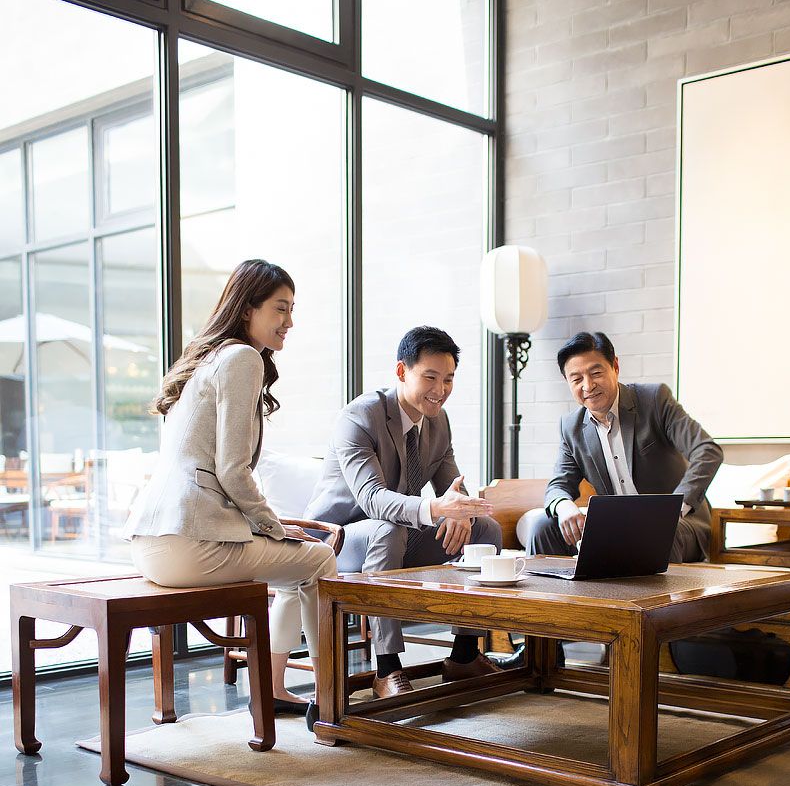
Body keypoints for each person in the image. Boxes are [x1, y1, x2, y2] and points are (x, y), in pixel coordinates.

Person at [126, 259, 337, 726]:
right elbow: (232, 471)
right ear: (248, 310)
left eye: (292, 309)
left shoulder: (206, 358)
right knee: (318, 560)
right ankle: (332, 697)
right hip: (189, 544)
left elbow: (215, 474)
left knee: (293, 565)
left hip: (152, 542)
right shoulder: (242, 358)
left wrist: (273, 527)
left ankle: (278, 689)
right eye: (280, 309)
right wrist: (273, 525)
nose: (290, 321)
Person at [305, 325, 502, 698]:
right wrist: (437, 508)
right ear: (401, 372)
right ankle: (387, 668)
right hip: (337, 539)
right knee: (387, 529)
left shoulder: (438, 420)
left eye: (448, 379)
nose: (440, 390)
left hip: (397, 533)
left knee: (485, 530)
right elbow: (373, 499)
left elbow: (451, 487)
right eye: (430, 377)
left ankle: (463, 656)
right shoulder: (359, 417)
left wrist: (461, 512)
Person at [527, 330, 723, 561]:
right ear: (567, 382)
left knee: (656, 533)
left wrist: (673, 511)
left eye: (596, 373)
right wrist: (563, 507)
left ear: (615, 367)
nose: (588, 386)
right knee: (543, 526)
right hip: (616, 527)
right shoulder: (572, 427)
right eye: (577, 379)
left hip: (681, 526)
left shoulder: (654, 400)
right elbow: (558, 485)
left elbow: (707, 450)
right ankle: (559, 598)